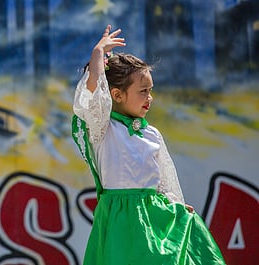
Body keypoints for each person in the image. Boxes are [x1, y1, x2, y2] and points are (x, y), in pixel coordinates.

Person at [71, 25, 226, 265]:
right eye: (143, 91)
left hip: (156, 220)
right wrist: (98, 55)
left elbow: (163, 179)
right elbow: (92, 95)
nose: (149, 98)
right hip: (120, 221)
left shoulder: (152, 134)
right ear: (116, 94)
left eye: (151, 91)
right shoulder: (103, 128)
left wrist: (175, 204)